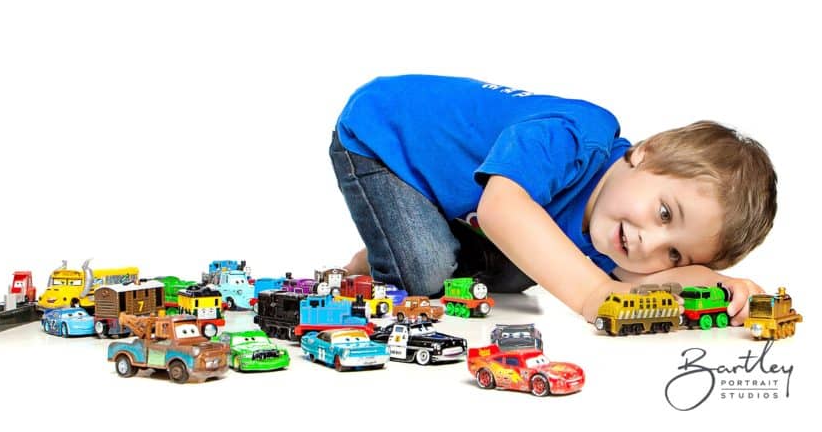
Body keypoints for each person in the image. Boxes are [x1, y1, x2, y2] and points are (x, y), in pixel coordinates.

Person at [330, 75, 776, 324]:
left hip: (462, 199)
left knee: (517, 272)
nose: (650, 244)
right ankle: (378, 259)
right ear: (647, 153)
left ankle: (408, 240)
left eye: (675, 253)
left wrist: (717, 287)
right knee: (424, 274)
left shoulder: (616, 231)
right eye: (664, 213)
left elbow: (643, 280)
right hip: (386, 140)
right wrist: (595, 293)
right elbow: (500, 208)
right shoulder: (576, 136)